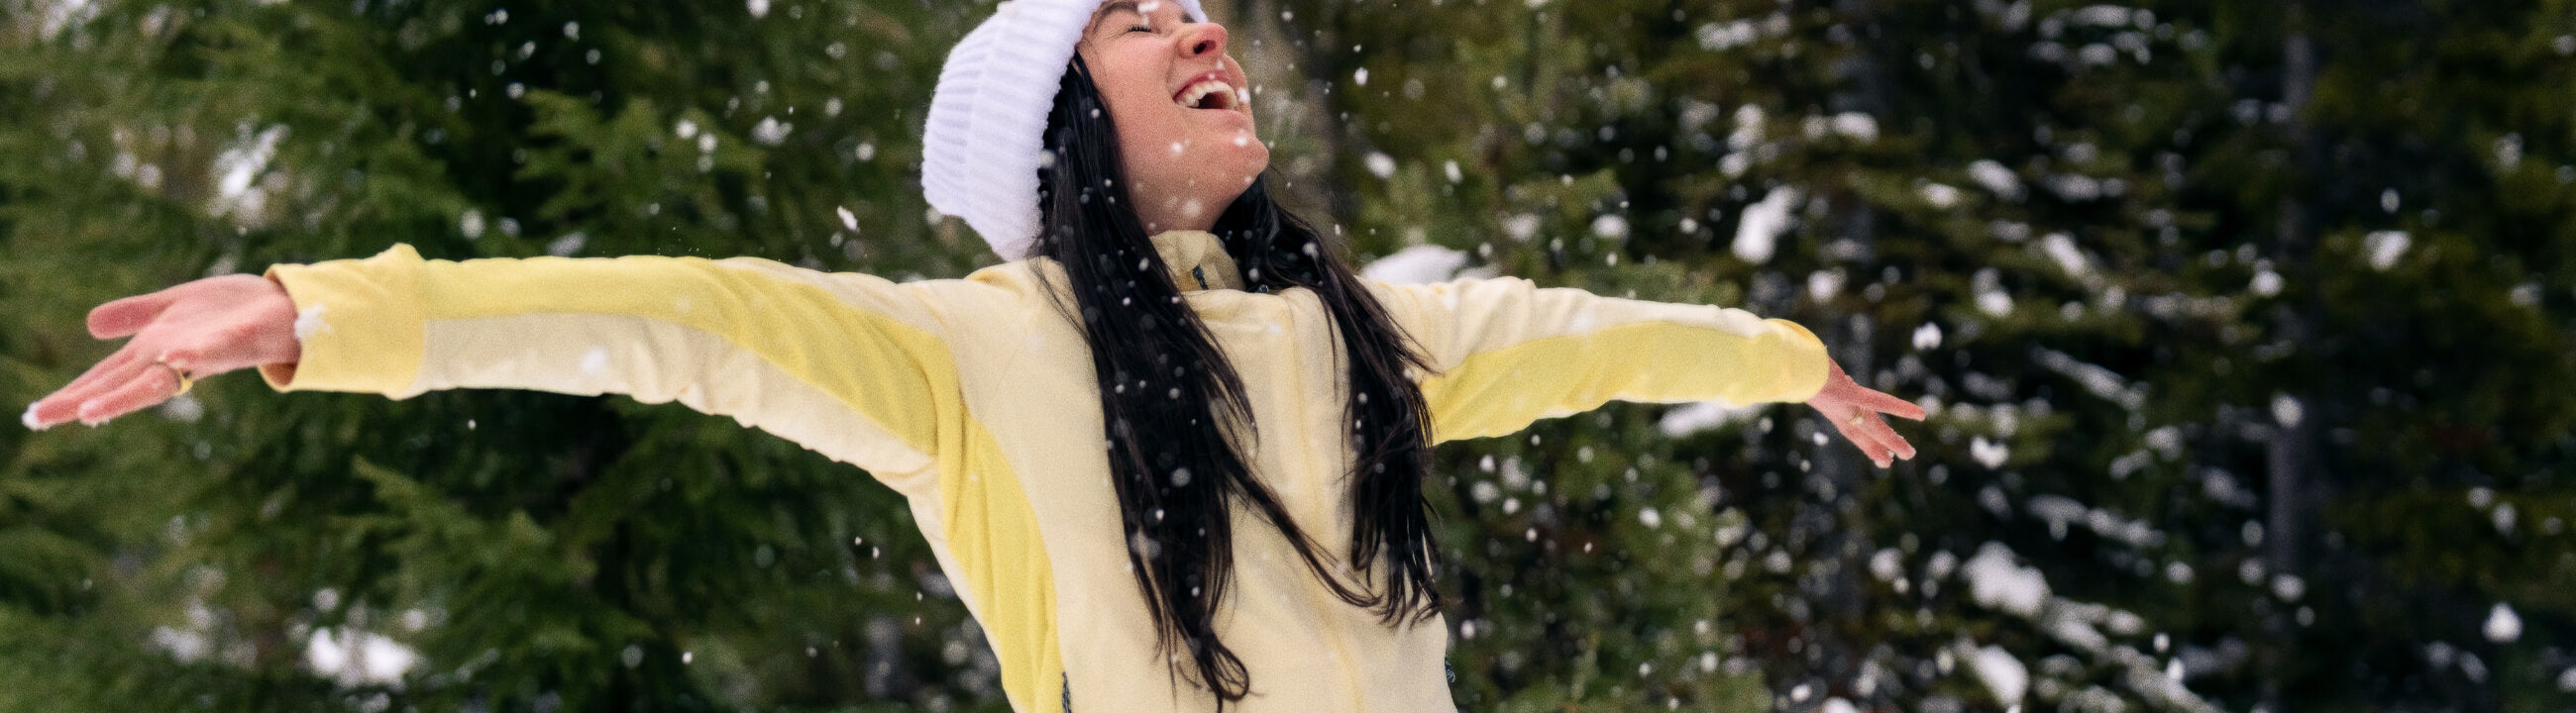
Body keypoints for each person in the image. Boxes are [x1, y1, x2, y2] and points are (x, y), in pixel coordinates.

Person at [23, 0, 1925, 710]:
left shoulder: (1371, 334)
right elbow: (679, 318)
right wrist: (322, 310)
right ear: (1061, 135)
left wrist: (1779, 356)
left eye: (1204, 14)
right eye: (1141, 26)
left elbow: (1584, 338)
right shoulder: (969, 358)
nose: (1206, 33)